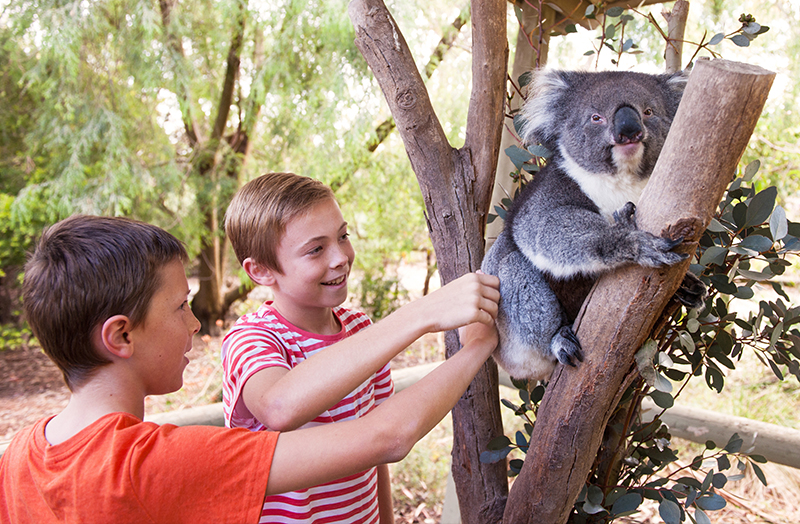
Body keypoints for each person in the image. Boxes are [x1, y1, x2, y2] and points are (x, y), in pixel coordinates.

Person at [0, 214, 500, 524]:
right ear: (121, 335)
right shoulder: (153, 462)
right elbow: (384, 437)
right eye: (180, 307)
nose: (195, 324)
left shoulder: (19, 457)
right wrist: (472, 342)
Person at [222, 171, 497, 523]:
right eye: (316, 249)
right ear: (261, 271)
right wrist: (422, 313)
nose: (340, 257)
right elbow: (279, 407)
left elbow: (378, 442)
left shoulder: (359, 330)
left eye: (343, 236)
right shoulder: (252, 338)